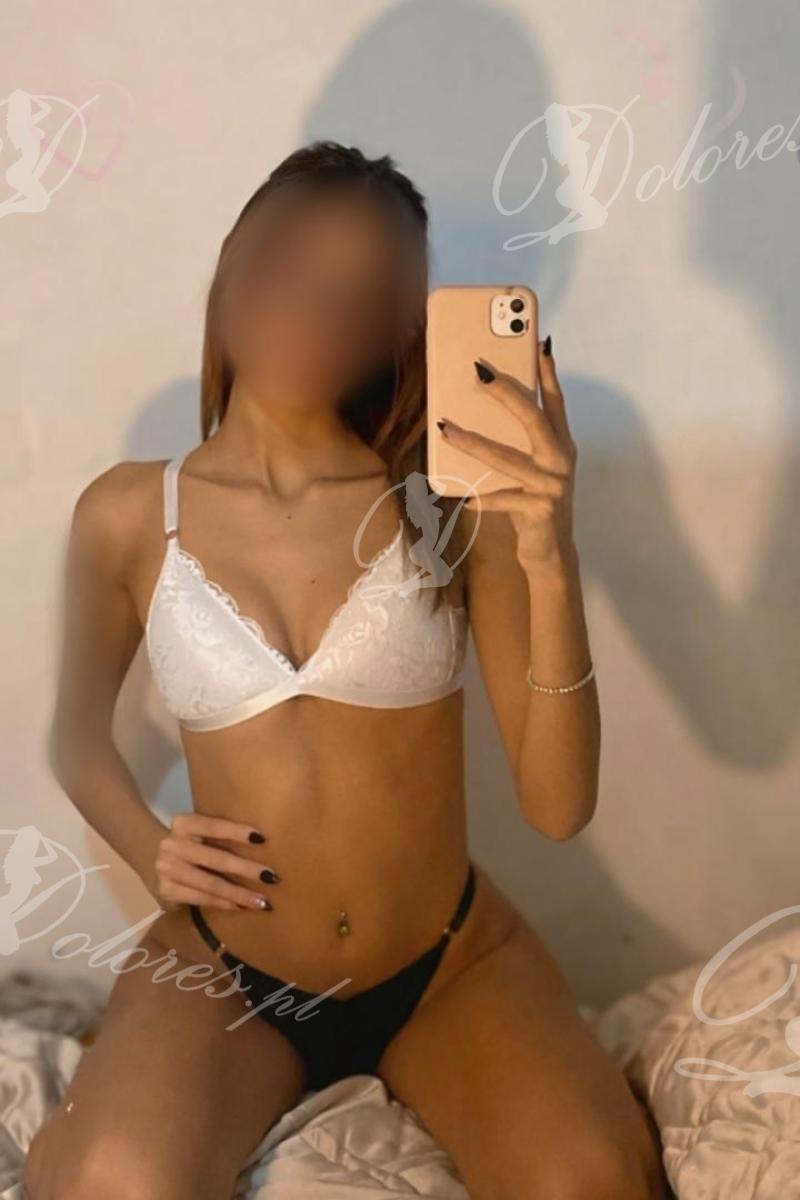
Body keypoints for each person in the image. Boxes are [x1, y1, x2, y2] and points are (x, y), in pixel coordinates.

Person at [25, 141, 666, 1200]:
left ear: (402, 325)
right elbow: (75, 734)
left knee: (591, 1182)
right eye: (292, 271)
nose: (315, 313)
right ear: (234, 268)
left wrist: (548, 550)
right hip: (225, 971)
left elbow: (557, 808)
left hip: (446, 965)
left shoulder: (450, 505)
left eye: (359, 294)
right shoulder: (131, 511)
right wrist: (149, 848)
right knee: (113, 1184)